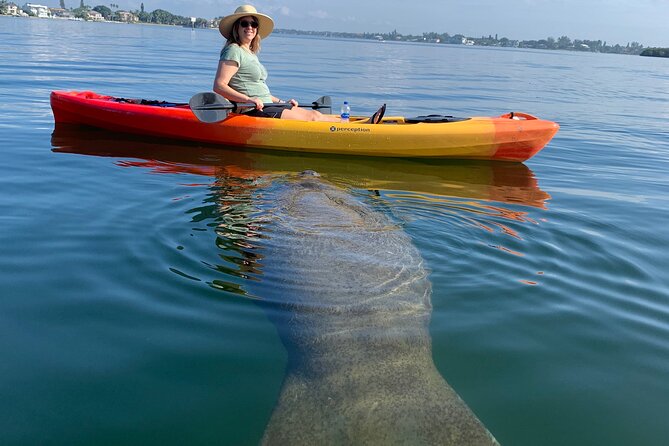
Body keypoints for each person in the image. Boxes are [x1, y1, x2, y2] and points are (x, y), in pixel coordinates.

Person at [213, 5, 340, 122]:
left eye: (254, 24)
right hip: (252, 110)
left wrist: (282, 102)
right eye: (245, 23)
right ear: (237, 27)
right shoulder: (234, 50)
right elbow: (219, 86)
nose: (250, 27)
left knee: (317, 115)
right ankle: (350, 130)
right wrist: (248, 100)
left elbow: (260, 91)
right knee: (313, 117)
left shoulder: (250, 53)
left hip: (268, 105)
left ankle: (348, 124)